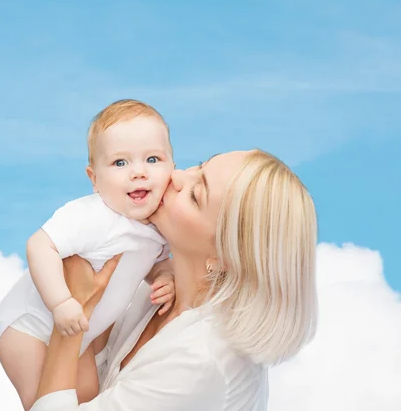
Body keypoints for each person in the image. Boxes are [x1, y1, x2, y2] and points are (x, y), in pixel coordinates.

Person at [31, 149, 318, 410]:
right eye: (198, 167)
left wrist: (72, 317)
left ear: (224, 257)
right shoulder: (162, 292)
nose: (176, 176)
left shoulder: (202, 361)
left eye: (195, 195)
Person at [0, 100, 179, 410]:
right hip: (28, 327)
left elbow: (155, 262)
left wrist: (165, 277)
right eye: (120, 163)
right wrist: (61, 302)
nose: (139, 172)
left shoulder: (159, 225)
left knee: (89, 396)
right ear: (94, 179)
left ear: (172, 165)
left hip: (80, 334)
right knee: (42, 398)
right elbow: (40, 245)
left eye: (153, 158)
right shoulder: (93, 217)